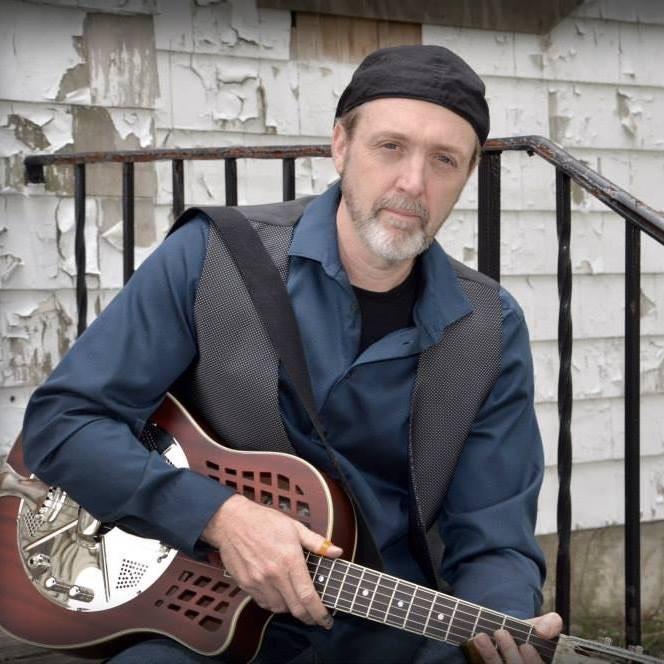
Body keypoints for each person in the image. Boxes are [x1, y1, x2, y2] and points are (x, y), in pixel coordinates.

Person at [22, 45, 562, 663]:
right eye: (390, 146)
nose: (413, 183)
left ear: (464, 178)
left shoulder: (488, 327)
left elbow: (493, 532)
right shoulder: (211, 256)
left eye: (444, 160)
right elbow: (64, 424)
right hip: (199, 612)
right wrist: (220, 517)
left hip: (388, 627)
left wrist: (503, 621)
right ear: (341, 145)